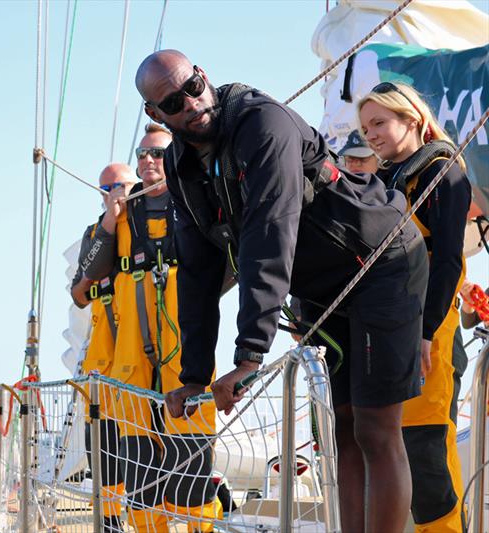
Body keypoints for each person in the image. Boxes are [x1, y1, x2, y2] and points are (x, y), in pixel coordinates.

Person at [135, 50, 429, 533]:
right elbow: (197, 273)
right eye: (172, 102)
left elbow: (270, 234)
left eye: (191, 87)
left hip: (380, 264)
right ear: (156, 115)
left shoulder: (262, 123)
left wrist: (249, 356)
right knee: (344, 430)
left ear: (203, 76)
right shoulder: (181, 166)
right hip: (319, 287)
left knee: (377, 428)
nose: (190, 103)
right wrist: (193, 374)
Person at [89, 124, 220, 532]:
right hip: (132, 352)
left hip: (185, 346)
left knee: (190, 458)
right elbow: (89, 275)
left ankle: (201, 527)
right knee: (139, 463)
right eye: (142, 154)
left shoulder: (199, 204)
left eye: (158, 154)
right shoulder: (120, 216)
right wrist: (110, 223)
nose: (148, 160)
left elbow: (232, 262)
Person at [359, 81, 472, 533]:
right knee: (393, 445)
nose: (371, 135)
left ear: (413, 120)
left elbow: (447, 261)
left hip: (430, 332)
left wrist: (426, 332)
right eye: (366, 128)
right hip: (391, 331)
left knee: (425, 447)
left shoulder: (442, 173)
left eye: (379, 123)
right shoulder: (386, 181)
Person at [70, 163, 137, 532]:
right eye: (107, 187)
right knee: (103, 439)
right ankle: (110, 520)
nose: (114, 192)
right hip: (104, 347)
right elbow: (81, 288)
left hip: (145, 343)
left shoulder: (145, 225)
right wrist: (110, 224)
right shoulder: (95, 231)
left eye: (121, 185)